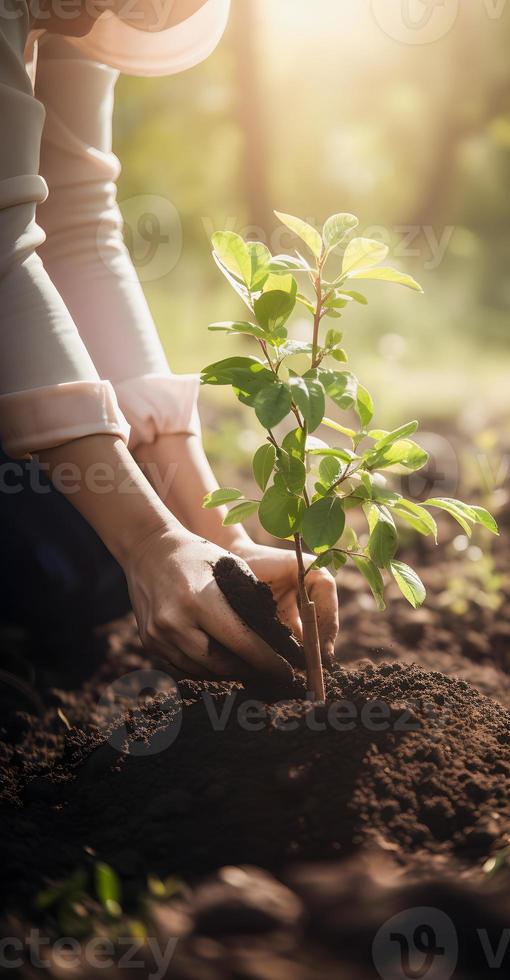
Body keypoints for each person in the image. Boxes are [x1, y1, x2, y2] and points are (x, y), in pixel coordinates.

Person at [0, 0, 338, 682]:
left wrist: (214, 534)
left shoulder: (80, 13)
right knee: (73, 551)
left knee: (91, 556)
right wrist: (149, 540)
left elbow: (77, 222)